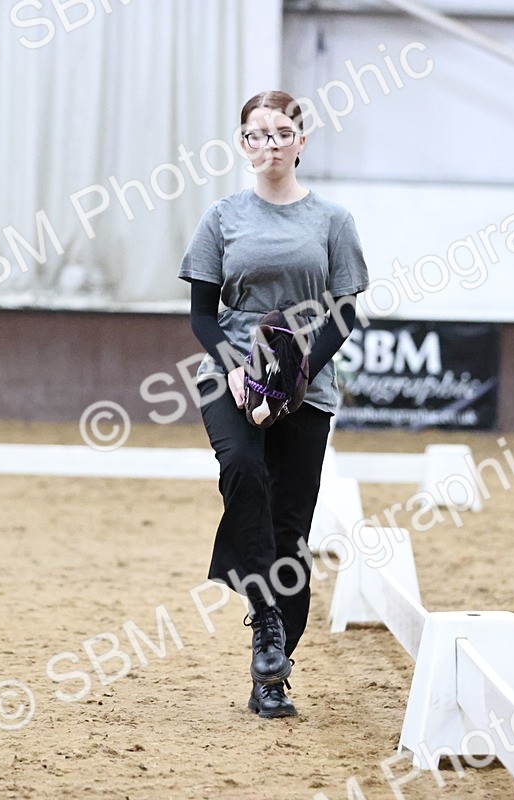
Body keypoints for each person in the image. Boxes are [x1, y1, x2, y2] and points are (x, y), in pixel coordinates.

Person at [177, 90, 370, 718]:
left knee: (291, 531)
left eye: (282, 133)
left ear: (301, 141)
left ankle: (272, 677)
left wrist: (296, 374)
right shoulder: (222, 218)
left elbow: (344, 311)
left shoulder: (333, 222)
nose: (270, 144)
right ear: (243, 144)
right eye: (257, 134)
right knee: (243, 470)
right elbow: (202, 315)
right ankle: (264, 621)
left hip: (305, 387)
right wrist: (237, 368)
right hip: (228, 375)